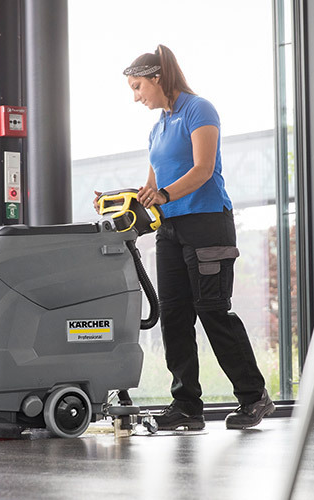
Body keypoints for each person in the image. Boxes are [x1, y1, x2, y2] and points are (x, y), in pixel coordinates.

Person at [98, 44, 274, 430]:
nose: (136, 96)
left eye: (137, 86)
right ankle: (187, 407)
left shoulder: (199, 109)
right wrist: (115, 199)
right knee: (174, 317)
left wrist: (162, 195)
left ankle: (253, 396)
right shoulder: (157, 127)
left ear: (157, 78)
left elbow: (203, 169)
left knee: (212, 310)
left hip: (207, 222)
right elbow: (151, 188)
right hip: (171, 228)